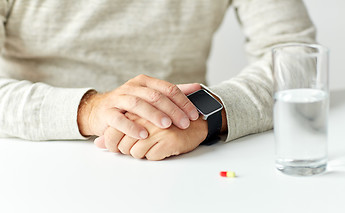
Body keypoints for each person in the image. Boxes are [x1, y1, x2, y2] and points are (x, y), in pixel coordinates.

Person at [0, 0, 316, 160]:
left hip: (182, 154)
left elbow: (297, 57)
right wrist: (91, 110)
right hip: (34, 158)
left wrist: (205, 113)